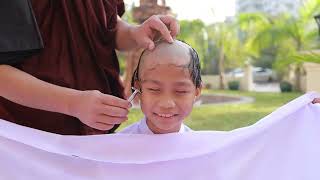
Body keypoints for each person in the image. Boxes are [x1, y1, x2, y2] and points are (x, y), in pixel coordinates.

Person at [0, 0, 179, 135]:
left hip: (95, 138)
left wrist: (135, 33)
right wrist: (72, 103)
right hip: (27, 141)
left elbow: (108, 26)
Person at [119, 40, 201, 134]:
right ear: (138, 88)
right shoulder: (118, 145)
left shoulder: (203, 146)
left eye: (180, 91)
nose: (166, 104)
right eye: (154, 89)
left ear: (197, 91)